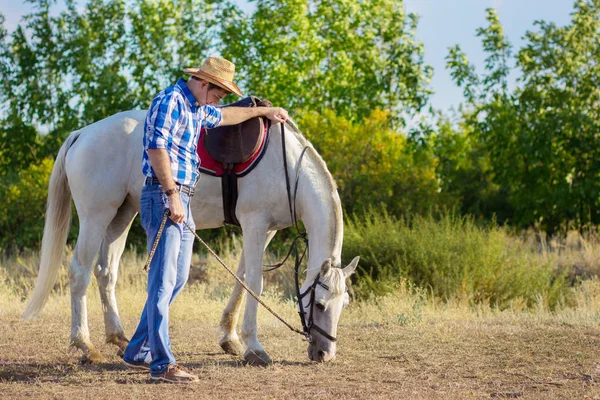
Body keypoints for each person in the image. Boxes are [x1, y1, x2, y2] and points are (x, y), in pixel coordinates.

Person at [122, 56, 288, 383]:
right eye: (219, 92)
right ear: (203, 83)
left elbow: (226, 117)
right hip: (164, 195)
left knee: (178, 278)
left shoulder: (197, 108)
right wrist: (171, 195)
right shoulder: (171, 101)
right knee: (162, 282)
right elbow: (157, 148)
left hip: (181, 197)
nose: (219, 98)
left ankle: (136, 350)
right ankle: (161, 365)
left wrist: (263, 112)